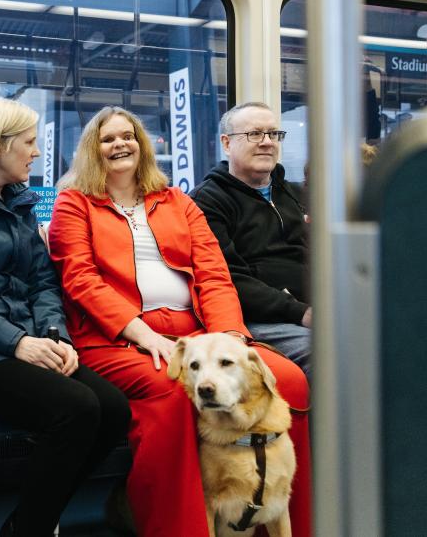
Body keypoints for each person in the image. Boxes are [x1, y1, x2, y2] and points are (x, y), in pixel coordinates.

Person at [47, 106, 311, 537]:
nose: (120, 144)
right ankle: (178, 527)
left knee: (288, 379)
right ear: (92, 150)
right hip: (115, 339)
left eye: (128, 135)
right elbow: (81, 280)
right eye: (108, 138)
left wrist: (230, 338)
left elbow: (213, 272)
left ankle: (288, 523)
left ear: (142, 144)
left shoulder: (177, 201)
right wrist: (144, 333)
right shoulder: (74, 203)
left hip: (196, 334)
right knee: (171, 391)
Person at [0, 98, 130, 537]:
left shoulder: (20, 202)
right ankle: (34, 527)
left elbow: (43, 281)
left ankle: (30, 518)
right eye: (29, 142)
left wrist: (54, 334)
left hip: (26, 336)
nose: (37, 152)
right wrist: (17, 342)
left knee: (114, 410)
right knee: (76, 408)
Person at [190, 102, 311, 381]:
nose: (267, 143)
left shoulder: (295, 195)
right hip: (261, 318)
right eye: (255, 134)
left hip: (314, 308)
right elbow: (228, 277)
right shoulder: (208, 201)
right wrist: (300, 312)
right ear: (227, 143)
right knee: (330, 354)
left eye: (273, 134)